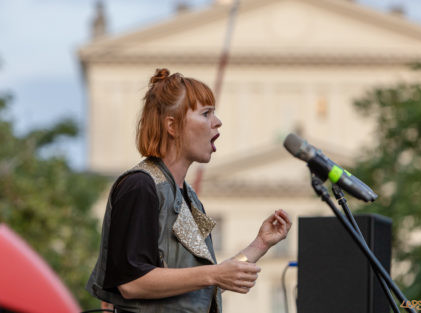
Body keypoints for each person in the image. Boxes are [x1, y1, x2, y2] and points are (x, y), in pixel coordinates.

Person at [86, 68, 292, 313]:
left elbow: (200, 287)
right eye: (206, 113)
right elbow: (131, 283)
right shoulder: (140, 186)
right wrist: (214, 274)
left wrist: (260, 244)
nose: (217, 122)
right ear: (172, 125)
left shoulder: (189, 197)